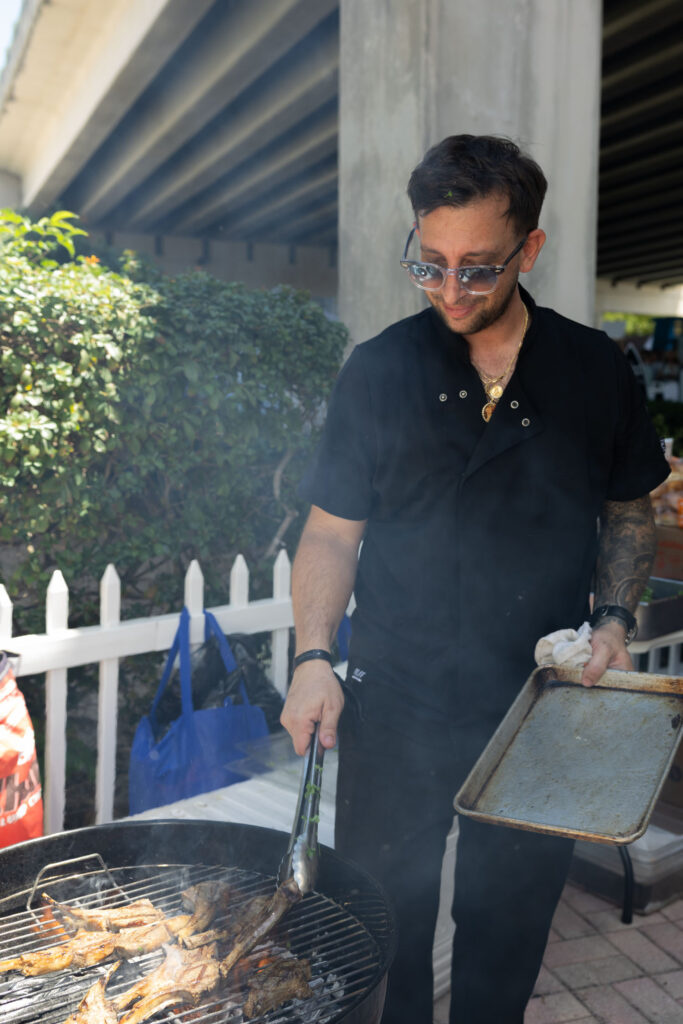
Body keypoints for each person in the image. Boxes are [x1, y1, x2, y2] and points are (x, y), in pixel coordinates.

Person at [280, 135, 670, 1024]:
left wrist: (613, 618)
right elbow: (331, 533)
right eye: (430, 264)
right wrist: (311, 657)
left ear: (529, 249)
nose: (450, 290)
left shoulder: (593, 369)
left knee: (506, 931)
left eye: (477, 269)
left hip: (537, 705)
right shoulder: (379, 370)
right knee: (381, 925)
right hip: (394, 699)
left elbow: (626, 511)